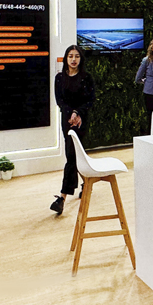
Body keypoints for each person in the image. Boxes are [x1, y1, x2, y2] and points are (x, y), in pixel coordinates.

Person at [52, 45, 95, 216]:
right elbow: (60, 101)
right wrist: (71, 114)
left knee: (72, 156)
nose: (73, 59)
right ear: (66, 58)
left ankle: (61, 198)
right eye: (70, 56)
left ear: (81, 59)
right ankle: (87, 182)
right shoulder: (59, 78)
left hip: (81, 120)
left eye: (77, 56)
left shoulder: (86, 78)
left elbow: (90, 100)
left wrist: (78, 113)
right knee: (73, 155)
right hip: (67, 120)